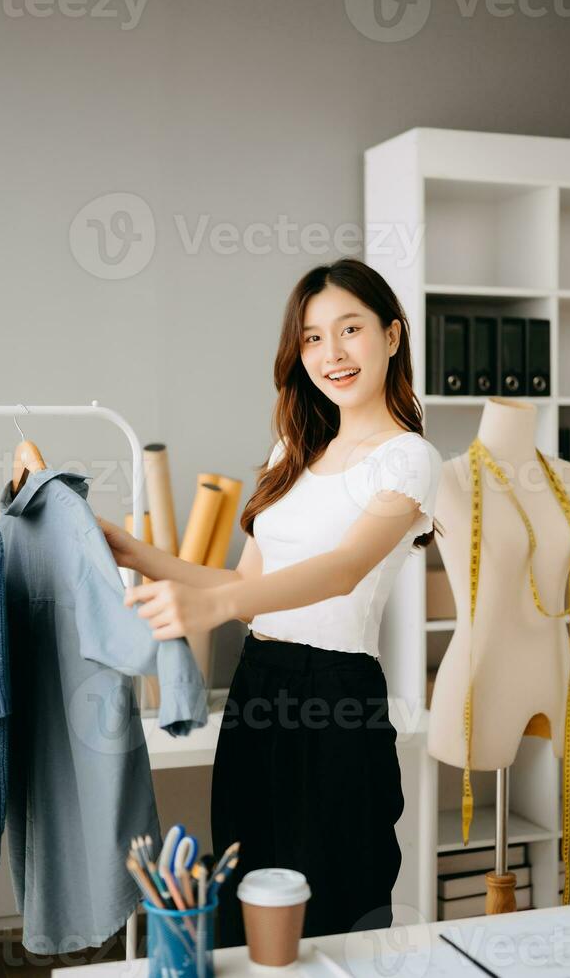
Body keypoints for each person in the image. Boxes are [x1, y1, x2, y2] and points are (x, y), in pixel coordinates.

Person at [99, 257, 443, 946]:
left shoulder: (407, 458)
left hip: (335, 696)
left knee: (333, 901)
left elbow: (342, 570)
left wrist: (218, 610)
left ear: (393, 336)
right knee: (244, 886)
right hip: (261, 683)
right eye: (312, 337)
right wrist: (134, 553)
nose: (331, 353)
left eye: (350, 329)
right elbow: (243, 586)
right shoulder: (293, 446)